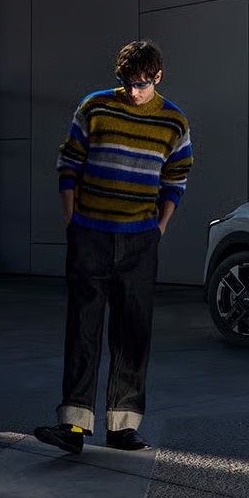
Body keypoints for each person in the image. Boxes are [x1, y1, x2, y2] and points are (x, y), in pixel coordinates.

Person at [34, 40, 192, 454]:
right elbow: (68, 163)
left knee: (133, 331)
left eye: (142, 84)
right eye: (127, 82)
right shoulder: (95, 108)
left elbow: (176, 178)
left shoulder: (174, 122)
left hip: (140, 239)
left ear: (158, 77)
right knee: (84, 327)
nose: (134, 91)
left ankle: (123, 426)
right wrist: (72, 220)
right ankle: (73, 425)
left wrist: (158, 228)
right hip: (90, 233)